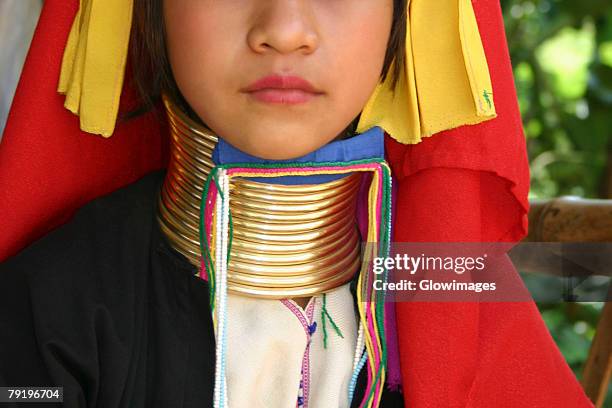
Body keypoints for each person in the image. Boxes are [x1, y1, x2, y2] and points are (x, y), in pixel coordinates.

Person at [0, 0, 593, 407]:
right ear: (148, 11)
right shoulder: (52, 311)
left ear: (406, 20)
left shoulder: (445, 292)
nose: (284, 29)